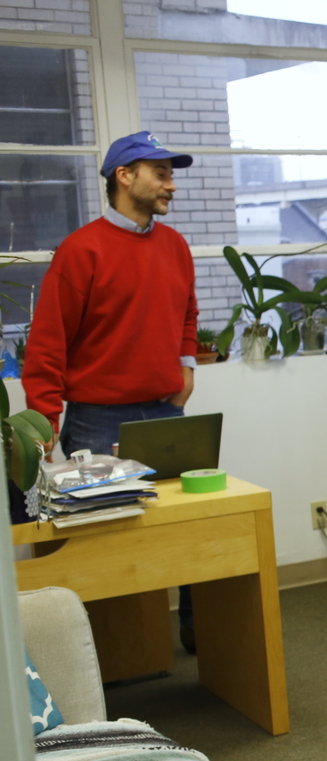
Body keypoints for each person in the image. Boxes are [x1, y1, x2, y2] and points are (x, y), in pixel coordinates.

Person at [23, 131, 201, 648]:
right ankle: (103, 656)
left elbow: (187, 312)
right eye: (161, 174)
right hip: (98, 419)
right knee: (101, 542)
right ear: (125, 177)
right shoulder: (81, 251)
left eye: (171, 175)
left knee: (190, 524)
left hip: (166, 411)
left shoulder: (175, 245)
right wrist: (42, 428)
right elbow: (48, 347)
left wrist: (186, 366)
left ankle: (197, 629)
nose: (171, 185)